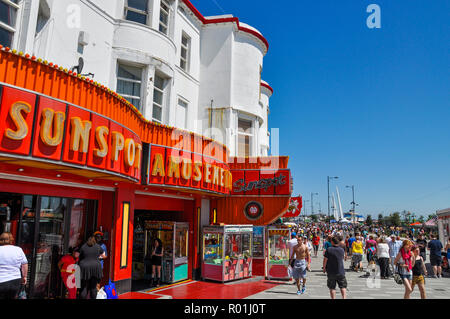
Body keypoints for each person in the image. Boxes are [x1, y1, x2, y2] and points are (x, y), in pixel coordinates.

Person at [0, 232, 28, 299]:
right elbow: (24, 264)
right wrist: (24, 277)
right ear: (11, 239)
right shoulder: (18, 249)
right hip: (15, 281)